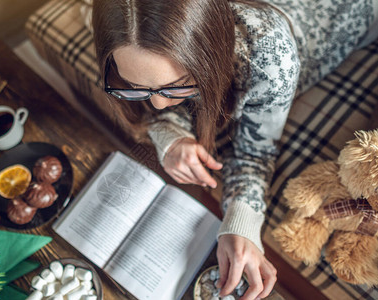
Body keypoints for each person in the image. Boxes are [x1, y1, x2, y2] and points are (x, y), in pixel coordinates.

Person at [90, 0, 378, 298]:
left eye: (176, 86)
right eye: (132, 85)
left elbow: (254, 153)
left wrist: (241, 224)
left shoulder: (268, 57)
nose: (157, 105)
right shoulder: (120, 27)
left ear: (209, 58)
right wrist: (169, 135)